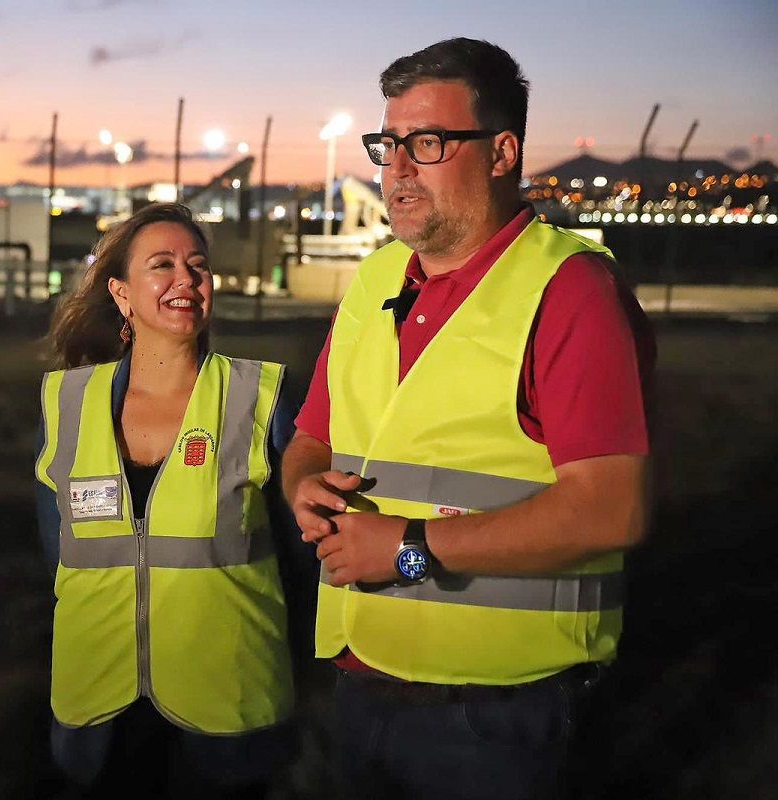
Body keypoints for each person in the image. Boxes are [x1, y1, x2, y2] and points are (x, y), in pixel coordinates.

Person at [281, 38, 655, 800]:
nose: (398, 170)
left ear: (501, 152)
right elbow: (311, 436)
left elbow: (614, 509)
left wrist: (410, 549)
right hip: (359, 688)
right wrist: (302, 486)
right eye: (390, 144)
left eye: (428, 142)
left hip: (502, 718)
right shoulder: (377, 277)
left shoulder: (570, 291)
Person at [35, 203, 314, 798]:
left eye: (197, 266)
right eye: (162, 265)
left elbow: (302, 560)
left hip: (226, 710)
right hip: (101, 711)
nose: (186, 279)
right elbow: (53, 553)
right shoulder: (66, 402)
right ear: (121, 293)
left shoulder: (259, 397)